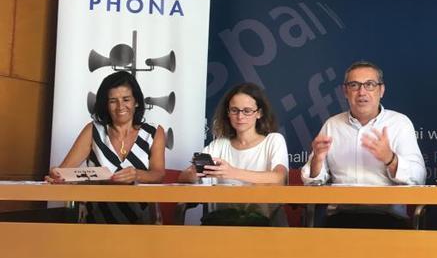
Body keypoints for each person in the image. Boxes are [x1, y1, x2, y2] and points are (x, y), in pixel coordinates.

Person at [302, 61, 426, 229]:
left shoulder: (400, 123)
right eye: (354, 85)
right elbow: (311, 183)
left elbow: (419, 177)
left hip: (387, 217)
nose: (362, 92)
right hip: (340, 217)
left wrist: (390, 159)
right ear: (345, 91)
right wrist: (317, 159)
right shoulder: (332, 125)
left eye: (369, 85)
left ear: (381, 90)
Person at [47, 71, 166, 224]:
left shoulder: (154, 132)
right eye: (113, 101)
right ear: (106, 104)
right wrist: (56, 173)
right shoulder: (93, 130)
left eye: (126, 99)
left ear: (136, 102)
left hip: (141, 222)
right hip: (96, 220)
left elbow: (158, 174)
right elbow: (65, 172)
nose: (120, 106)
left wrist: (136, 175)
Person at [178, 82, 288, 226]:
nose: (240, 116)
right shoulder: (219, 145)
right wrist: (195, 173)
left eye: (247, 110)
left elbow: (279, 178)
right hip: (221, 222)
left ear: (259, 113)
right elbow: (182, 177)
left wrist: (231, 172)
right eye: (234, 110)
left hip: (264, 223)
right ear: (228, 113)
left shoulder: (273, 140)